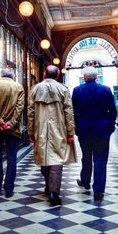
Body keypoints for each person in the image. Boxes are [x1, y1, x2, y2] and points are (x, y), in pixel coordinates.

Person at [27, 65, 76, 206]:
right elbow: (69, 112)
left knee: (44, 156)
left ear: (44, 74)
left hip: (40, 128)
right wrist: (70, 132)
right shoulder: (63, 89)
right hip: (59, 129)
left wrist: (30, 131)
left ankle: (50, 186)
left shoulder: (35, 89)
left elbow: (30, 113)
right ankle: (53, 191)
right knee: (56, 159)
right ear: (57, 75)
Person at [72, 66, 117, 200]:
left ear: (84, 78)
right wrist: (110, 126)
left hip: (84, 130)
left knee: (86, 157)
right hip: (102, 131)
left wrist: (76, 126)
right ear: (96, 77)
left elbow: (74, 111)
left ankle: (85, 182)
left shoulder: (77, 91)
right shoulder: (106, 90)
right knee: (100, 159)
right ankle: (98, 189)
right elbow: (113, 111)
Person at [0, 68, 25, 198]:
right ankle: (9, 188)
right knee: (12, 156)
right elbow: (20, 108)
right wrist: (11, 124)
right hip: (12, 130)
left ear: (1, 75)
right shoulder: (18, 87)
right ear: (12, 76)